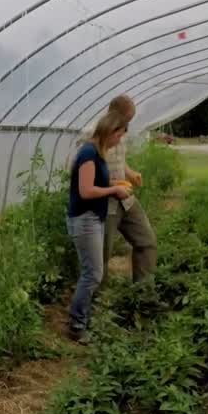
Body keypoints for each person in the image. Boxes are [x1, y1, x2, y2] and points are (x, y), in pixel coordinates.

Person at [65, 109, 132, 344]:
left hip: (92, 218)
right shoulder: (88, 153)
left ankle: (82, 318)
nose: (119, 141)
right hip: (85, 219)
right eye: (119, 136)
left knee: (93, 272)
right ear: (110, 131)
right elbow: (86, 191)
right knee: (92, 274)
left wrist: (116, 183)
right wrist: (114, 190)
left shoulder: (97, 153)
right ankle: (76, 324)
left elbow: (96, 182)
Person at [97, 95, 158, 284]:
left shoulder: (120, 135)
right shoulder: (91, 137)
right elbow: (79, 174)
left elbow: (119, 162)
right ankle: (97, 303)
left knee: (146, 242)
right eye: (127, 119)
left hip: (125, 199)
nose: (128, 125)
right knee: (101, 256)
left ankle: (143, 292)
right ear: (114, 114)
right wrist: (111, 185)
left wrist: (131, 174)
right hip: (103, 204)